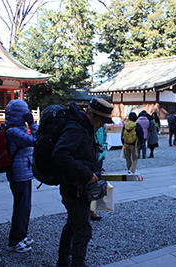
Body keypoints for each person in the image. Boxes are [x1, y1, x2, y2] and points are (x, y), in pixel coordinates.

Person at [54, 98, 113, 267]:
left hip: (78, 185)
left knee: (73, 226)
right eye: (101, 120)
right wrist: (86, 173)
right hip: (73, 187)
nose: (102, 125)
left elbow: (82, 155)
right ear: (90, 114)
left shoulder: (85, 127)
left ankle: (63, 262)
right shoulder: (76, 128)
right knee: (83, 231)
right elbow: (60, 154)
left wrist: (95, 171)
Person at [5, 100, 38, 253]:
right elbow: (37, 141)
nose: (28, 115)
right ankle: (15, 241)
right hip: (19, 174)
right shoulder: (13, 131)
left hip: (23, 171)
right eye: (26, 113)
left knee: (24, 207)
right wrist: (32, 124)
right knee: (21, 208)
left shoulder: (15, 128)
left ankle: (21, 235)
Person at [91, 124, 108, 221]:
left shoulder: (103, 125)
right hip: (90, 155)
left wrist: (103, 152)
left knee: (96, 183)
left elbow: (104, 137)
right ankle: (89, 210)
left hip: (99, 155)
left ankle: (92, 208)